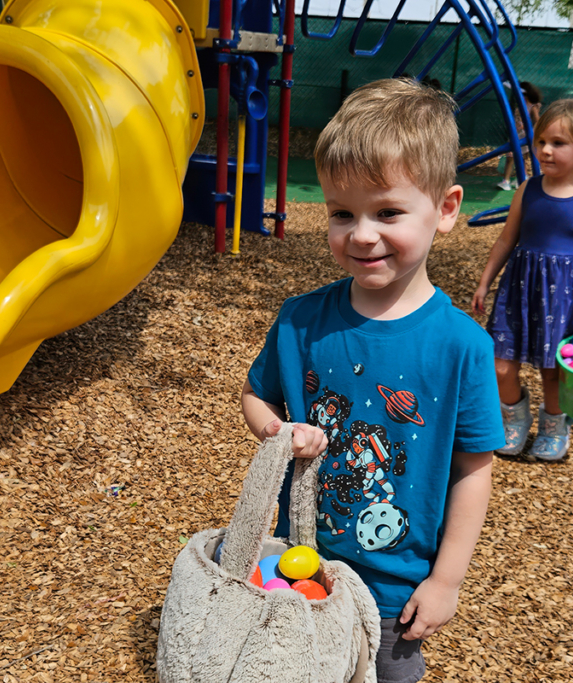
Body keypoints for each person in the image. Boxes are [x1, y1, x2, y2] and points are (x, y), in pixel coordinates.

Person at [242, 78, 505, 683]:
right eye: (342, 213)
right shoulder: (302, 319)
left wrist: (447, 580)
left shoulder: (462, 346)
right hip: (299, 567)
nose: (361, 234)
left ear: (444, 209)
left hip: (395, 595)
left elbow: (473, 468)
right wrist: (279, 430)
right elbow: (256, 394)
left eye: (387, 211)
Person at [472, 99, 573, 462]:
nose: (545, 151)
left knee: (554, 370)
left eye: (557, 143)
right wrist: (485, 281)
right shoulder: (528, 190)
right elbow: (507, 239)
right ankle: (514, 419)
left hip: (567, 296)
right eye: (540, 142)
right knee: (500, 364)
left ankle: (554, 426)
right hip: (520, 288)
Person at [497, 81, 543, 191]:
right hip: (516, 134)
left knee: (511, 157)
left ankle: (506, 181)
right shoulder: (522, 104)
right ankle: (522, 179)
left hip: (522, 136)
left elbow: (538, 121)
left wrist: (527, 128)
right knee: (519, 158)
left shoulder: (532, 106)